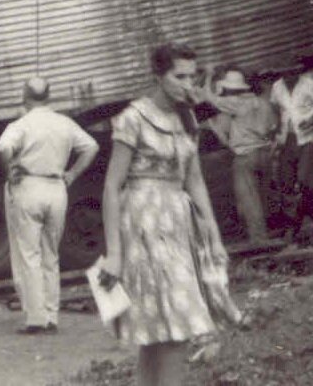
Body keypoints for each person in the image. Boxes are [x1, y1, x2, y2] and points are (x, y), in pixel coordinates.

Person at [99, 42, 240, 385]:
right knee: (171, 324)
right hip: (144, 223)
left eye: (192, 77)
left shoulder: (186, 117)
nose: (187, 84)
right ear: (158, 76)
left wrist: (215, 238)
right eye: (179, 76)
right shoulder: (134, 117)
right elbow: (111, 187)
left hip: (178, 223)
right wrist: (114, 255)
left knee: (162, 328)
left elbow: (195, 181)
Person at [0, 74, 100, 335]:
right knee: (51, 253)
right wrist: (73, 174)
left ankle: (36, 318)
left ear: (24, 97)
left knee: (29, 254)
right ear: (48, 96)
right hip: (57, 188)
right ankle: (52, 315)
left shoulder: (20, 125)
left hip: (28, 186)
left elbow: (2, 148)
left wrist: (9, 169)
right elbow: (91, 147)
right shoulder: (64, 123)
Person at [201, 69, 277, 242]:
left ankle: (259, 241)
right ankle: (266, 232)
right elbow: (273, 129)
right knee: (262, 196)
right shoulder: (264, 103)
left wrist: (209, 75)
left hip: (246, 156)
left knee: (250, 201)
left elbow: (208, 97)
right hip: (265, 153)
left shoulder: (236, 103)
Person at [272, 67, 313, 228]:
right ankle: (291, 220)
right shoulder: (277, 87)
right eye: (286, 74)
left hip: (307, 137)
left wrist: (310, 121)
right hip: (287, 138)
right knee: (286, 179)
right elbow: (275, 107)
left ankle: (309, 213)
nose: (290, 77)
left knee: (304, 178)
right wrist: (279, 125)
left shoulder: (308, 83)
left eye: (293, 73)